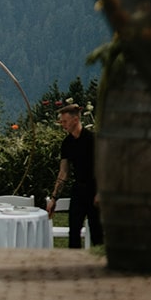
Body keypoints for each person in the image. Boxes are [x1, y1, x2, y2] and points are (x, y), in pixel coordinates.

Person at [47, 103, 104, 249]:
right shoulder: (67, 143)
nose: (63, 125)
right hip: (78, 189)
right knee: (74, 231)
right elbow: (63, 171)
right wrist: (54, 198)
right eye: (61, 122)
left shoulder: (92, 139)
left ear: (76, 120)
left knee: (97, 232)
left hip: (95, 188)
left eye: (65, 121)